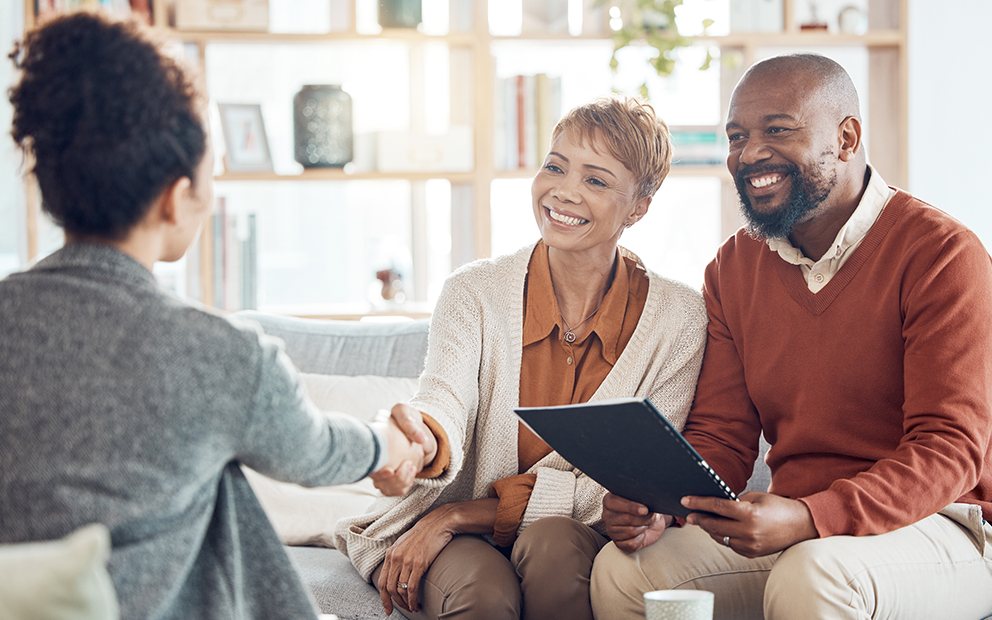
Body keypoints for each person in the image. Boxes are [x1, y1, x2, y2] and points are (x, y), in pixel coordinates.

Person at [0, 12, 435, 620]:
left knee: (214, 473)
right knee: (221, 479)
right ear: (176, 198)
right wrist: (387, 439)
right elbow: (314, 451)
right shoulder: (215, 352)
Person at [590, 52, 992, 620]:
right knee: (625, 572)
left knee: (813, 575)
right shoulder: (732, 269)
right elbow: (724, 437)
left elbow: (950, 449)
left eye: (777, 130)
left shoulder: (943, 255)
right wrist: (662, 506)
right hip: (798, 524)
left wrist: (811, 518)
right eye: (737, 136)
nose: (750, 154)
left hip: (944, 525)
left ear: (846, 138)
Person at [333, 94, 708, 620]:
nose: (564, 191)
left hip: (565, 533)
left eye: (596, 181)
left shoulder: (680, 318)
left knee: (555, 551)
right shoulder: (474, 291)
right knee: (483, 595)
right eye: (555, 166)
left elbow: (629, 484)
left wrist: (464, 514)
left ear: (640, 205)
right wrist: (417, 444)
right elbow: (443, 400)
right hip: (450, 525)